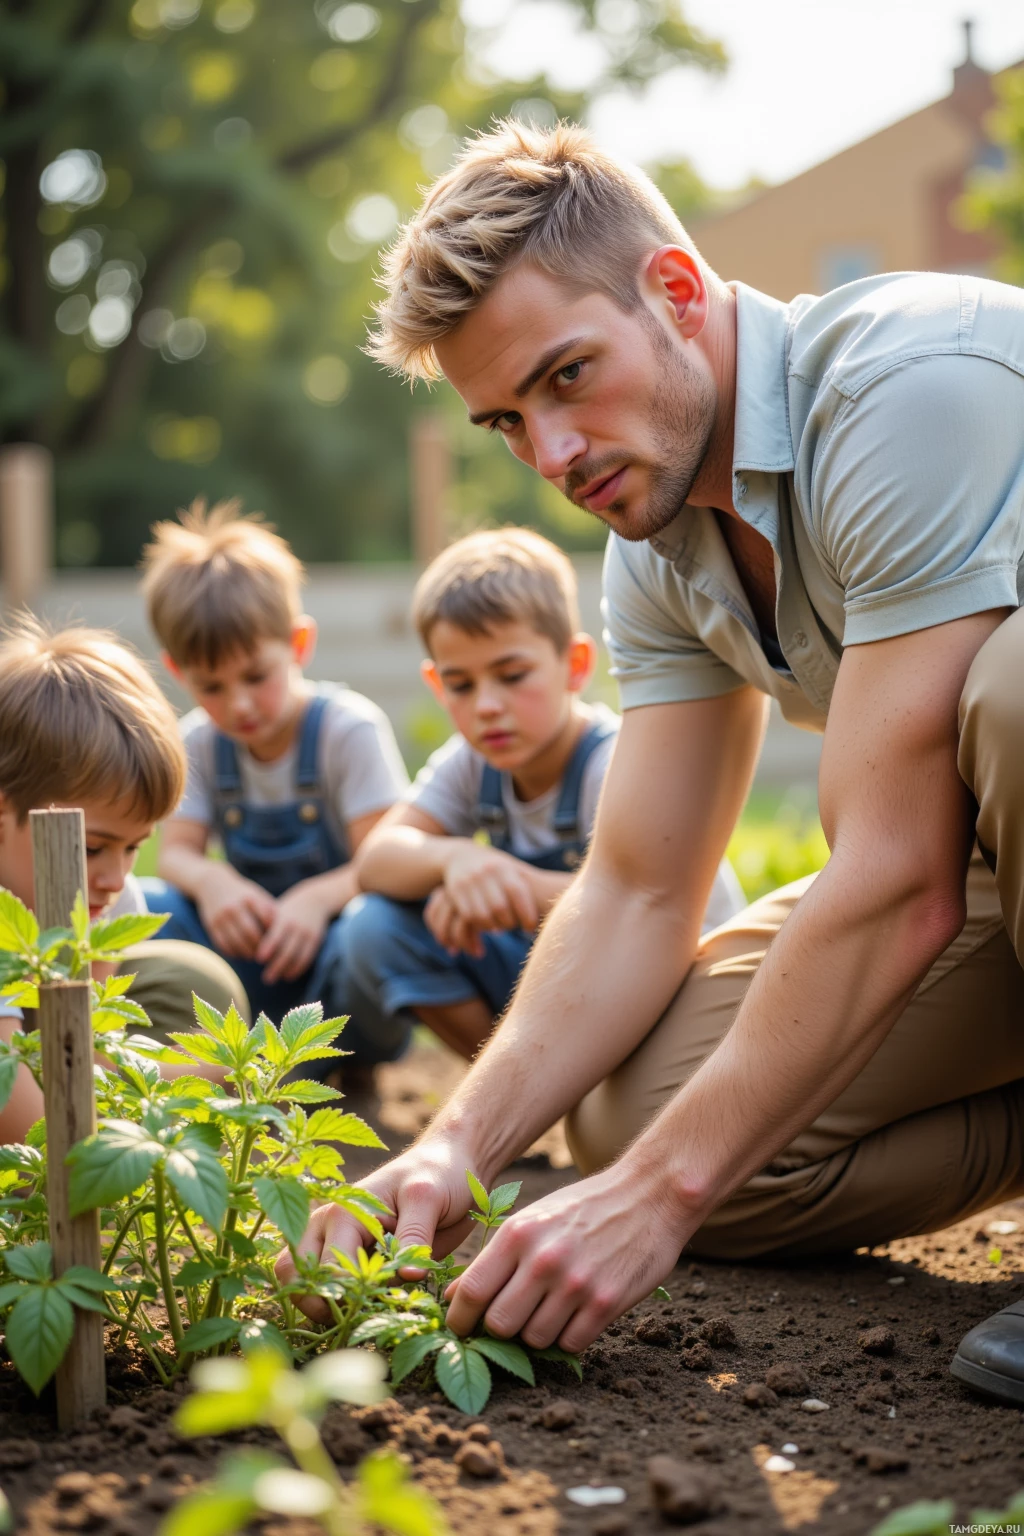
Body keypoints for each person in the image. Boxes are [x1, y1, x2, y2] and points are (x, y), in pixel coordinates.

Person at [278, 122, 1024, 1407]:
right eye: (507, 420)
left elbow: (896, 873)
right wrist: (457, 1146)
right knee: (642, 1122)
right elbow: (634, 889)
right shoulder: (661, 541)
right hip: (986, 858)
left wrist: (655, 1203)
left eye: (568, 376)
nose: (551, 457)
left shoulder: (910, 389)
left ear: (675, 293)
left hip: (961, 836)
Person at [343, 526, 745, 1062]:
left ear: (575, 666)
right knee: (373, 927)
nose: (487, 705)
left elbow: (670, 910)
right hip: (549, 976)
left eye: (512, 675)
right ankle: (510, 1086)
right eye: (461, 685)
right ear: (437, 685)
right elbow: (375, 861)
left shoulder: (618, 761)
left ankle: (580, 1092)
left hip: (668, 982)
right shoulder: (470, 764)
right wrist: (456, 862)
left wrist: (508, 888)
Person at [139, 501, 410, 1077]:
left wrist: (314, 901)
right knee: (148, 907)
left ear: (298, 644)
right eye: (212, 685)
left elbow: (385, 863)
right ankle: (213, 1059)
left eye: (256, 677)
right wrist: (214, 883)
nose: (238, 704)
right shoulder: (200, 744)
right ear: (178, 670)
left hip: (329, 964)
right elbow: (178, 854)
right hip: (253, 963)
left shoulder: (347, 730)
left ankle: (340, 1059)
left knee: (374, 926)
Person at [0, 621, 248, 1144]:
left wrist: (108, 1081)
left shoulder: (111, 896)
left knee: (202, 987)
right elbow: (36, 1144)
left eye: (135, 847)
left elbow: (86, 1036)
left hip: (47, 1039)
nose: (116, 879)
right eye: (90, 849)